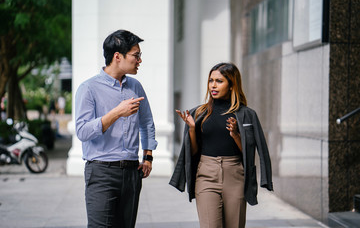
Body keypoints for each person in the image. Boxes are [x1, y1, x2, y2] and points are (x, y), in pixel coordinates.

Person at [169, 63, 273, 228]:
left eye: (219, 81)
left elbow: (251, 152)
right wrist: (192, 129)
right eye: (211, 80)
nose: (213, 85)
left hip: (235, 175)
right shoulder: (198, 113)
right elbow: (194, 151)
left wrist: (236, 135)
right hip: (206, 175)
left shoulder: (247, 114)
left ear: (232, 85)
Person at [75, 29, 158, 228]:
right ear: (117, 56)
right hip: (101, 171)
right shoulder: (89, 89)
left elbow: (147, 122)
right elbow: (83, 132)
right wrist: (116, 113)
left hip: (131, 172)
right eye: (136, 56)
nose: (139, 61)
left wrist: (148, 157)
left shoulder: (135, 86)